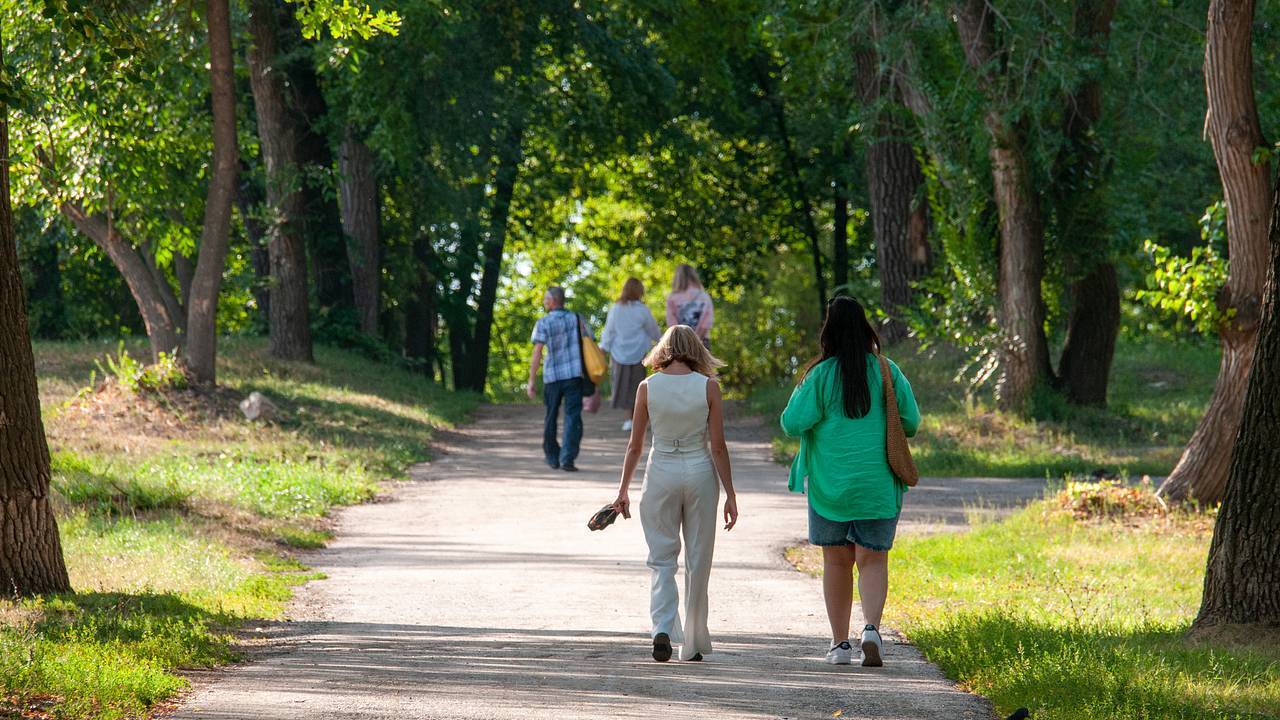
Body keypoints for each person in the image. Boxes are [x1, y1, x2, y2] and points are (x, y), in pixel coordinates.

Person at [779, 296, 920, 668]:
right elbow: (912, 423)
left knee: (837, 562)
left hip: (831, 488)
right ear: (865, 329)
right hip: (877, 487)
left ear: (828, 333)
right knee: (872, 560)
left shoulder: (820, 375)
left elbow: (792, 423)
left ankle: (840, 645)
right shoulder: (887, 370)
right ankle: (871, 630)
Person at [611, 325, 739, 663]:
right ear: (696, 349)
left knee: (662, 559)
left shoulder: (647, 387)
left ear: (663, 350)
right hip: (699, 472)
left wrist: (623, 490)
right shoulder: (709, 386)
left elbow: (635, 445)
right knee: (698, 560)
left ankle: (662, 628)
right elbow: (719, 446)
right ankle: (693, 643)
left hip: (661, 472)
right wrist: (730, 494)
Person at [528, 286, 592, 472]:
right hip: (574, 375)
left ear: (554, 300)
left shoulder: (544, 322)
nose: (543, 301)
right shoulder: (577, 318)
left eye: (546, 298)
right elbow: (591, 342)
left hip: (552, 376)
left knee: (551, 416)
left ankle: (552, 457)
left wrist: (531, 380)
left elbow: (537, 352)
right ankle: (567, 458)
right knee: (573, 416)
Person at [599, 277, 661, 432]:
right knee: (638, 387)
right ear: (639, 291)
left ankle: (629, 420)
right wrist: (662, 342)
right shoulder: (643, 310)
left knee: (623, 387)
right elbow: (653, 330)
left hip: (619, 353)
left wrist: (603, 348)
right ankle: (636, 420)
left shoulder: (616, 309)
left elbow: (609, 331)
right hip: (639, 353)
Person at [665, 264, 714, 347]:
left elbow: (671, 323)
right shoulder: (704, 296)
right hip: (702, 342)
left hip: (680, 343)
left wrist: (683, 341)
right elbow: (707, 322)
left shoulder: (672, 297)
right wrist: (697, 339)